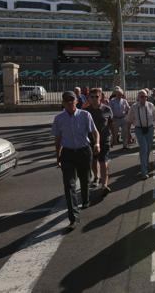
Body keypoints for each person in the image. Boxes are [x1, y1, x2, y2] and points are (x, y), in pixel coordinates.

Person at [52, 91, 100, 230]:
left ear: (76, 101)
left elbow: (94, 132)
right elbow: (58, 139)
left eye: (72, 100)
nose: (69, 103)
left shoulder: (85, 115)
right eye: (66, 100)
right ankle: (73, 217)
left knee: (85, 178)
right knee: (69, 185)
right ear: (63, 103)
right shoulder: (59, 118)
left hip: (84, 151)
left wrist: (97, 143)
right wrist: (57, 156)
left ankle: (85, 199)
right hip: (67, 154)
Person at [84, 88, 113, 197]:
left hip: (104, 140)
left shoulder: (107, 109)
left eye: (97, 96)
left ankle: (104, 185)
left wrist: (114, 136)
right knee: (93, 161)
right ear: (89, 98)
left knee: (103, 162)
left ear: (100, 97)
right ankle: (96, 176)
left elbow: (110, 123)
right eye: (92, 97)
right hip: (90, 141)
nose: (95, 99)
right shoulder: (86, 112)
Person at [127, 90, 155, 179]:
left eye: (145, 97)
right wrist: (128, 133)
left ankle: (145, 162)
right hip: (139, 130)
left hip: (150, 129)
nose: (144, 98)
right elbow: (129, 121)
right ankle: (144, 171)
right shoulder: (134, 107)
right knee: (144, 149)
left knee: (148, 148)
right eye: (142, 97)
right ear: (138, 97)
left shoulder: (150, 105)